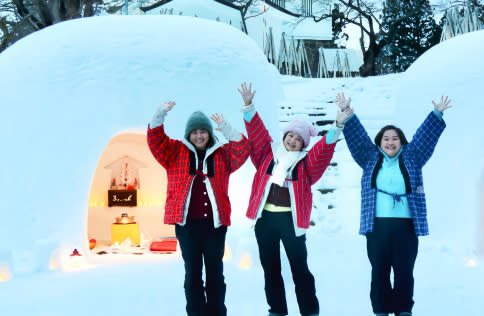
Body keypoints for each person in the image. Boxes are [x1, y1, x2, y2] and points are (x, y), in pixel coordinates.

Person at [335, 92, 451, 316]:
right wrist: (347, 111)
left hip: (406, 226)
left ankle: (404, 310)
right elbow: (358, 137)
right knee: (379, 271)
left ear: (401, 142)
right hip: (377, 226)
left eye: (395, 138)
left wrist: (437, 114)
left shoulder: (412, 157)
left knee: (404, 271)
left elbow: (424, 138)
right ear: (379, 142)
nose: (390, 142)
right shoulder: (370, 157)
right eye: (386, 138)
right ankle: (380, 310)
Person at [238, 82, 348, 316]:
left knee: (300, 269)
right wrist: (248, 107)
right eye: (290, 135)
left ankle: (309, 311)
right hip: (265, 221)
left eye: (298, 139)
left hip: (291, 223)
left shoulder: (306, 164)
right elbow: (257, 135)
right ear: (284, 136)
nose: (292, 140)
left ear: (303, 144)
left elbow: (323, 149)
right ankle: (276, 310)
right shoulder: (268, 154)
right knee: (271, 269)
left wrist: (337, 126)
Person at [147, 102, 251, 316]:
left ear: (209, 133)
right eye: (194, 132)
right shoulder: (174, 151)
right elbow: (155, 141)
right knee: (192, 274)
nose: (199, 136)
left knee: (215, 274)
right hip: (187, 227)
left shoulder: (223, 154)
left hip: (215, 226)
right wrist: (160, 114)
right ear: (189, 134)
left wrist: (227, 128)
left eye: (203, 131)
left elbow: (243, 149)